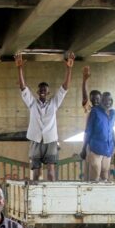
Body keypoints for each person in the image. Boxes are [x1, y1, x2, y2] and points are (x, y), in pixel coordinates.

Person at [16, 51, 75, 181]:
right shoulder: (32, 103)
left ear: (48, 92)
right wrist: (19, 68)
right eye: (41, 89)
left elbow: (65, 88)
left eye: (45, 89)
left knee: (51, 173)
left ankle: (51, 192)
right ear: (37, 92)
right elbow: (23, 88)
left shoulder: (54, 103)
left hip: (51, 140)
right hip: (35, 139)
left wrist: (69, 69)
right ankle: (36, 193)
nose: (43, 91)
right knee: (36, 174)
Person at [83, 94, 113, 181]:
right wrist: (84, 148)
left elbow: (111, 130)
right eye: (105, 100)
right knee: (95, 175)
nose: (107, 102)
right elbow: (88, 131)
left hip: (108, 149)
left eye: (109, 100)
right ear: (102, 101)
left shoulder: (113, 113)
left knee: (105, 176)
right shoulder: (94, 111)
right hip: (95, 148)